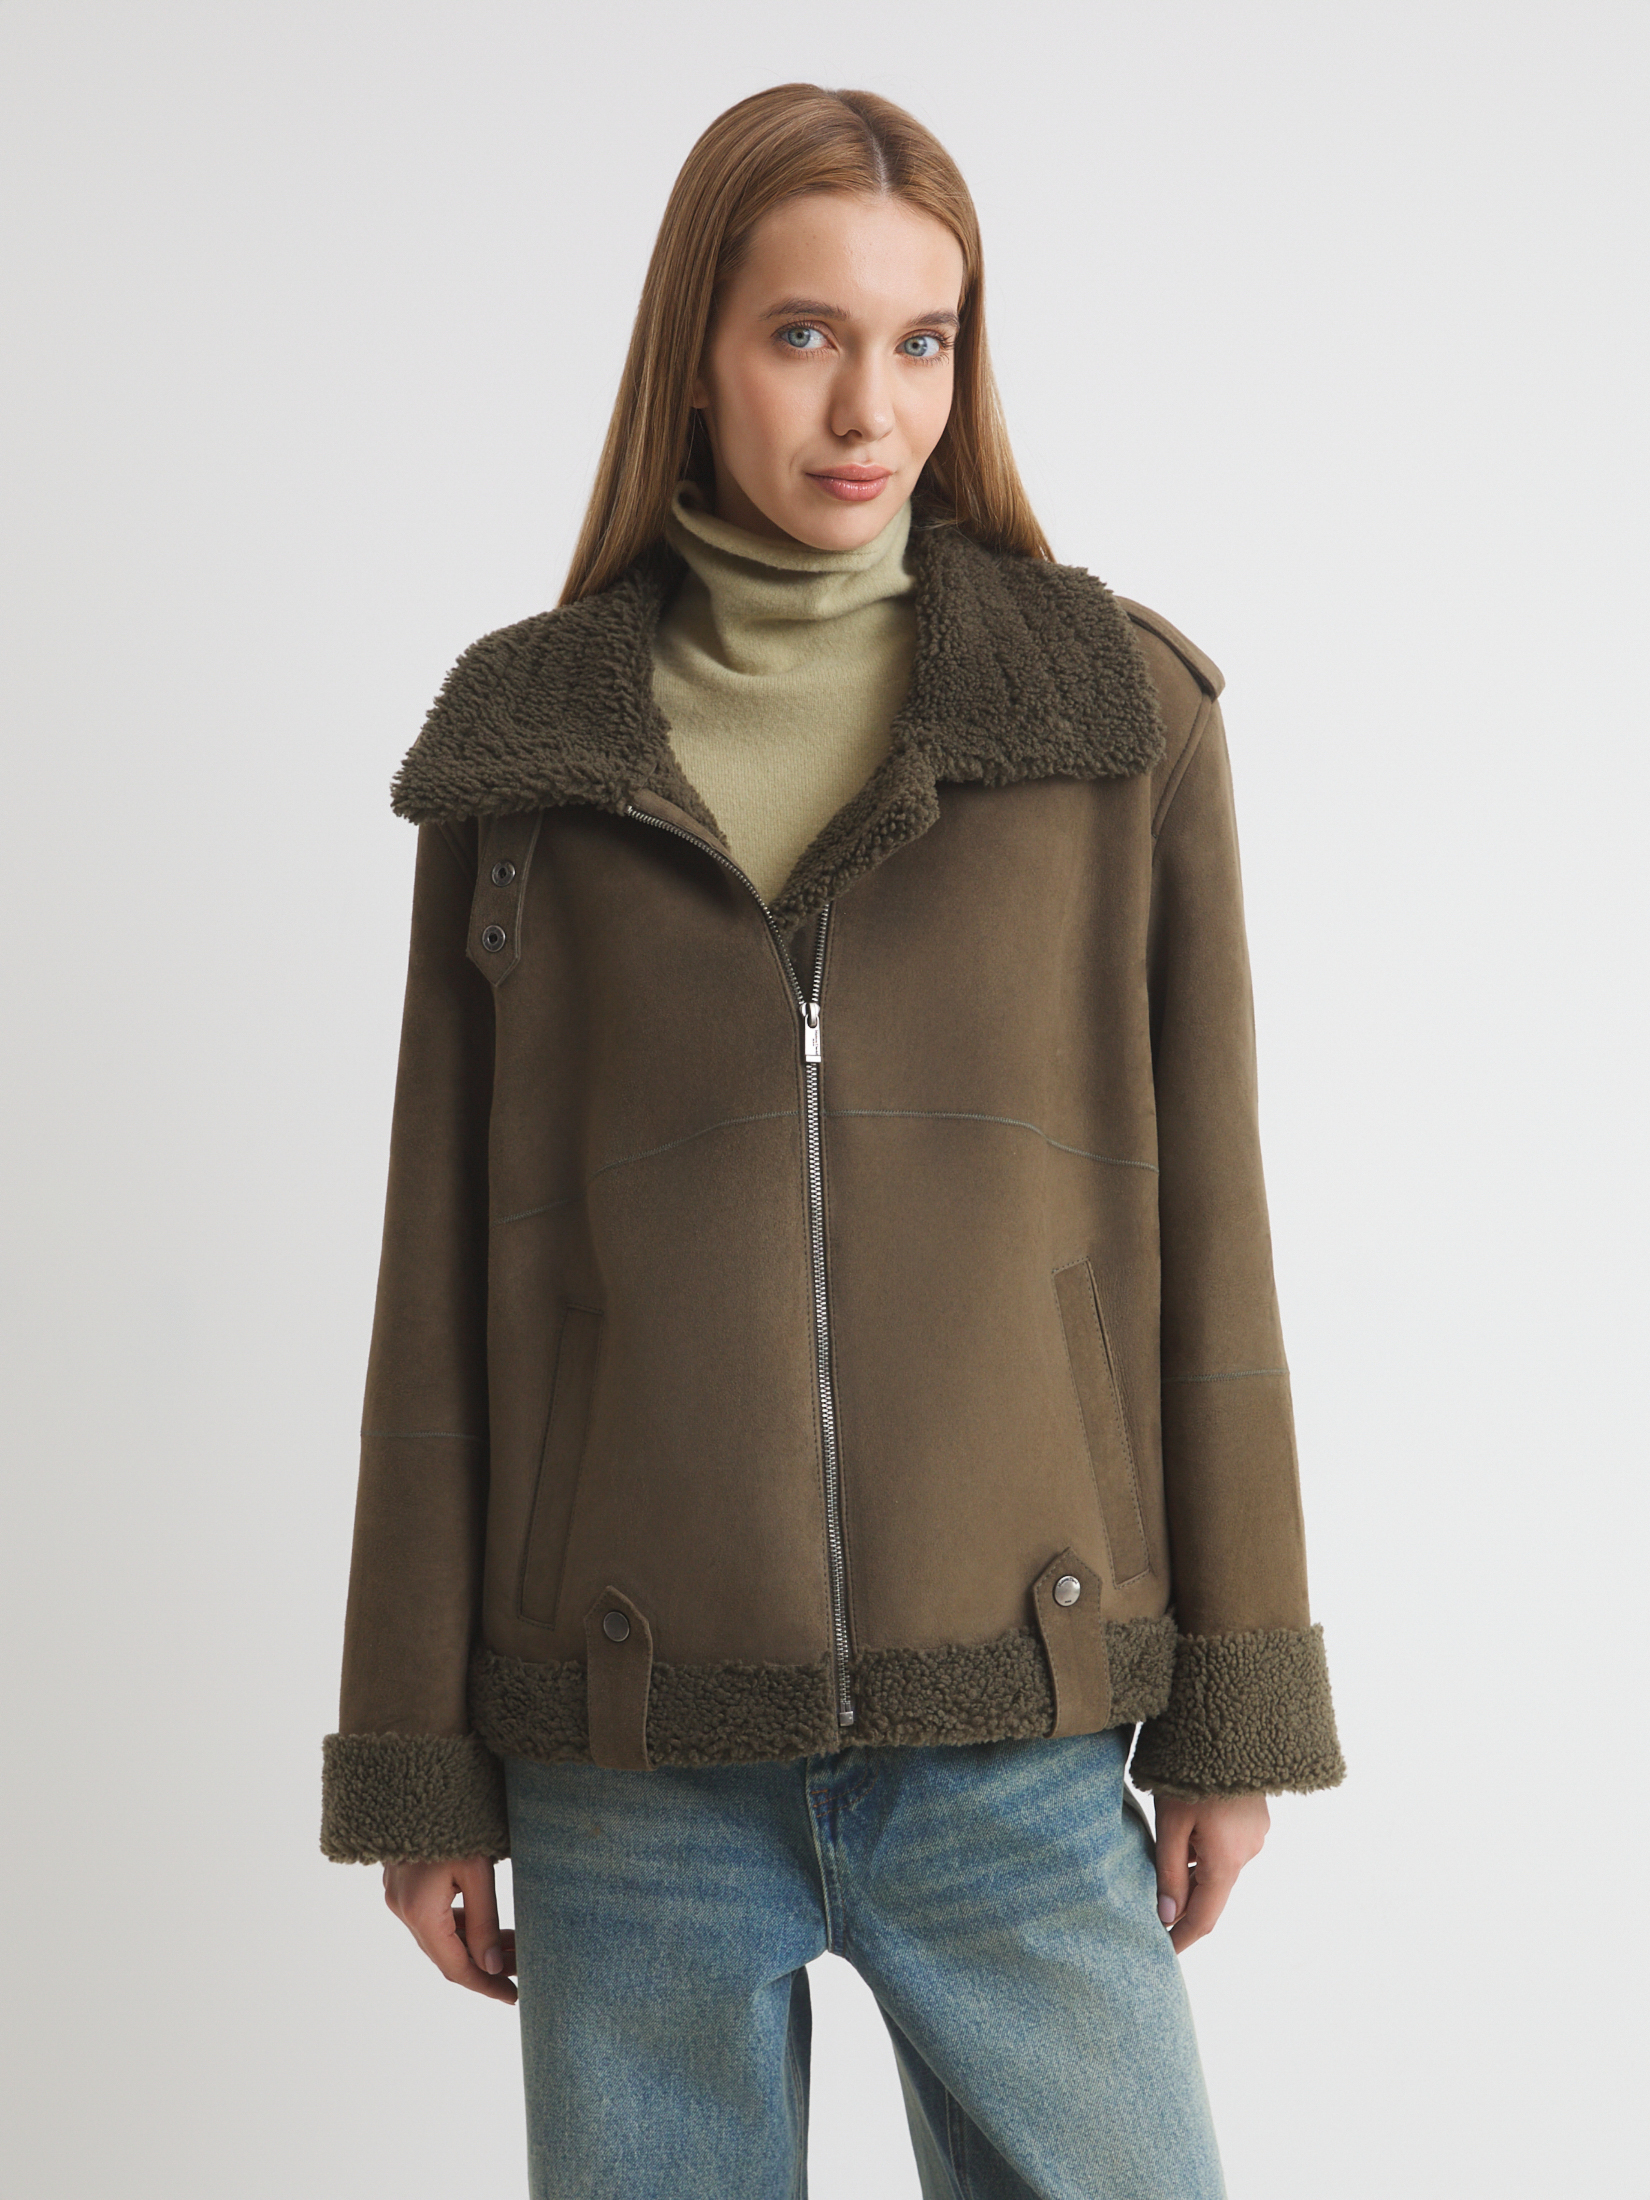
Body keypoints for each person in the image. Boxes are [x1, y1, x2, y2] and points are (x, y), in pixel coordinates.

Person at [320, 81, 1344, 2200]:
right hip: (629, 1761)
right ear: (696, 353)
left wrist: (1233, 1709)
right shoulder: (530, 754)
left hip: (1018, 1736)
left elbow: (1212, 1235)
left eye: (921, 340)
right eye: (803, 334)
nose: (870, 407)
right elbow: (440, 1284)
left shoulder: (1113, 720)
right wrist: (425, 1755)